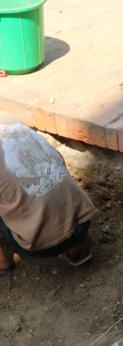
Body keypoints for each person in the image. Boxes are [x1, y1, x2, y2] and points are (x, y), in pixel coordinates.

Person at [0, 113, 96, 276]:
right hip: (83, 220)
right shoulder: (6, 118)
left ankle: (2, 262)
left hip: (42, 246)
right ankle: (79, 242)